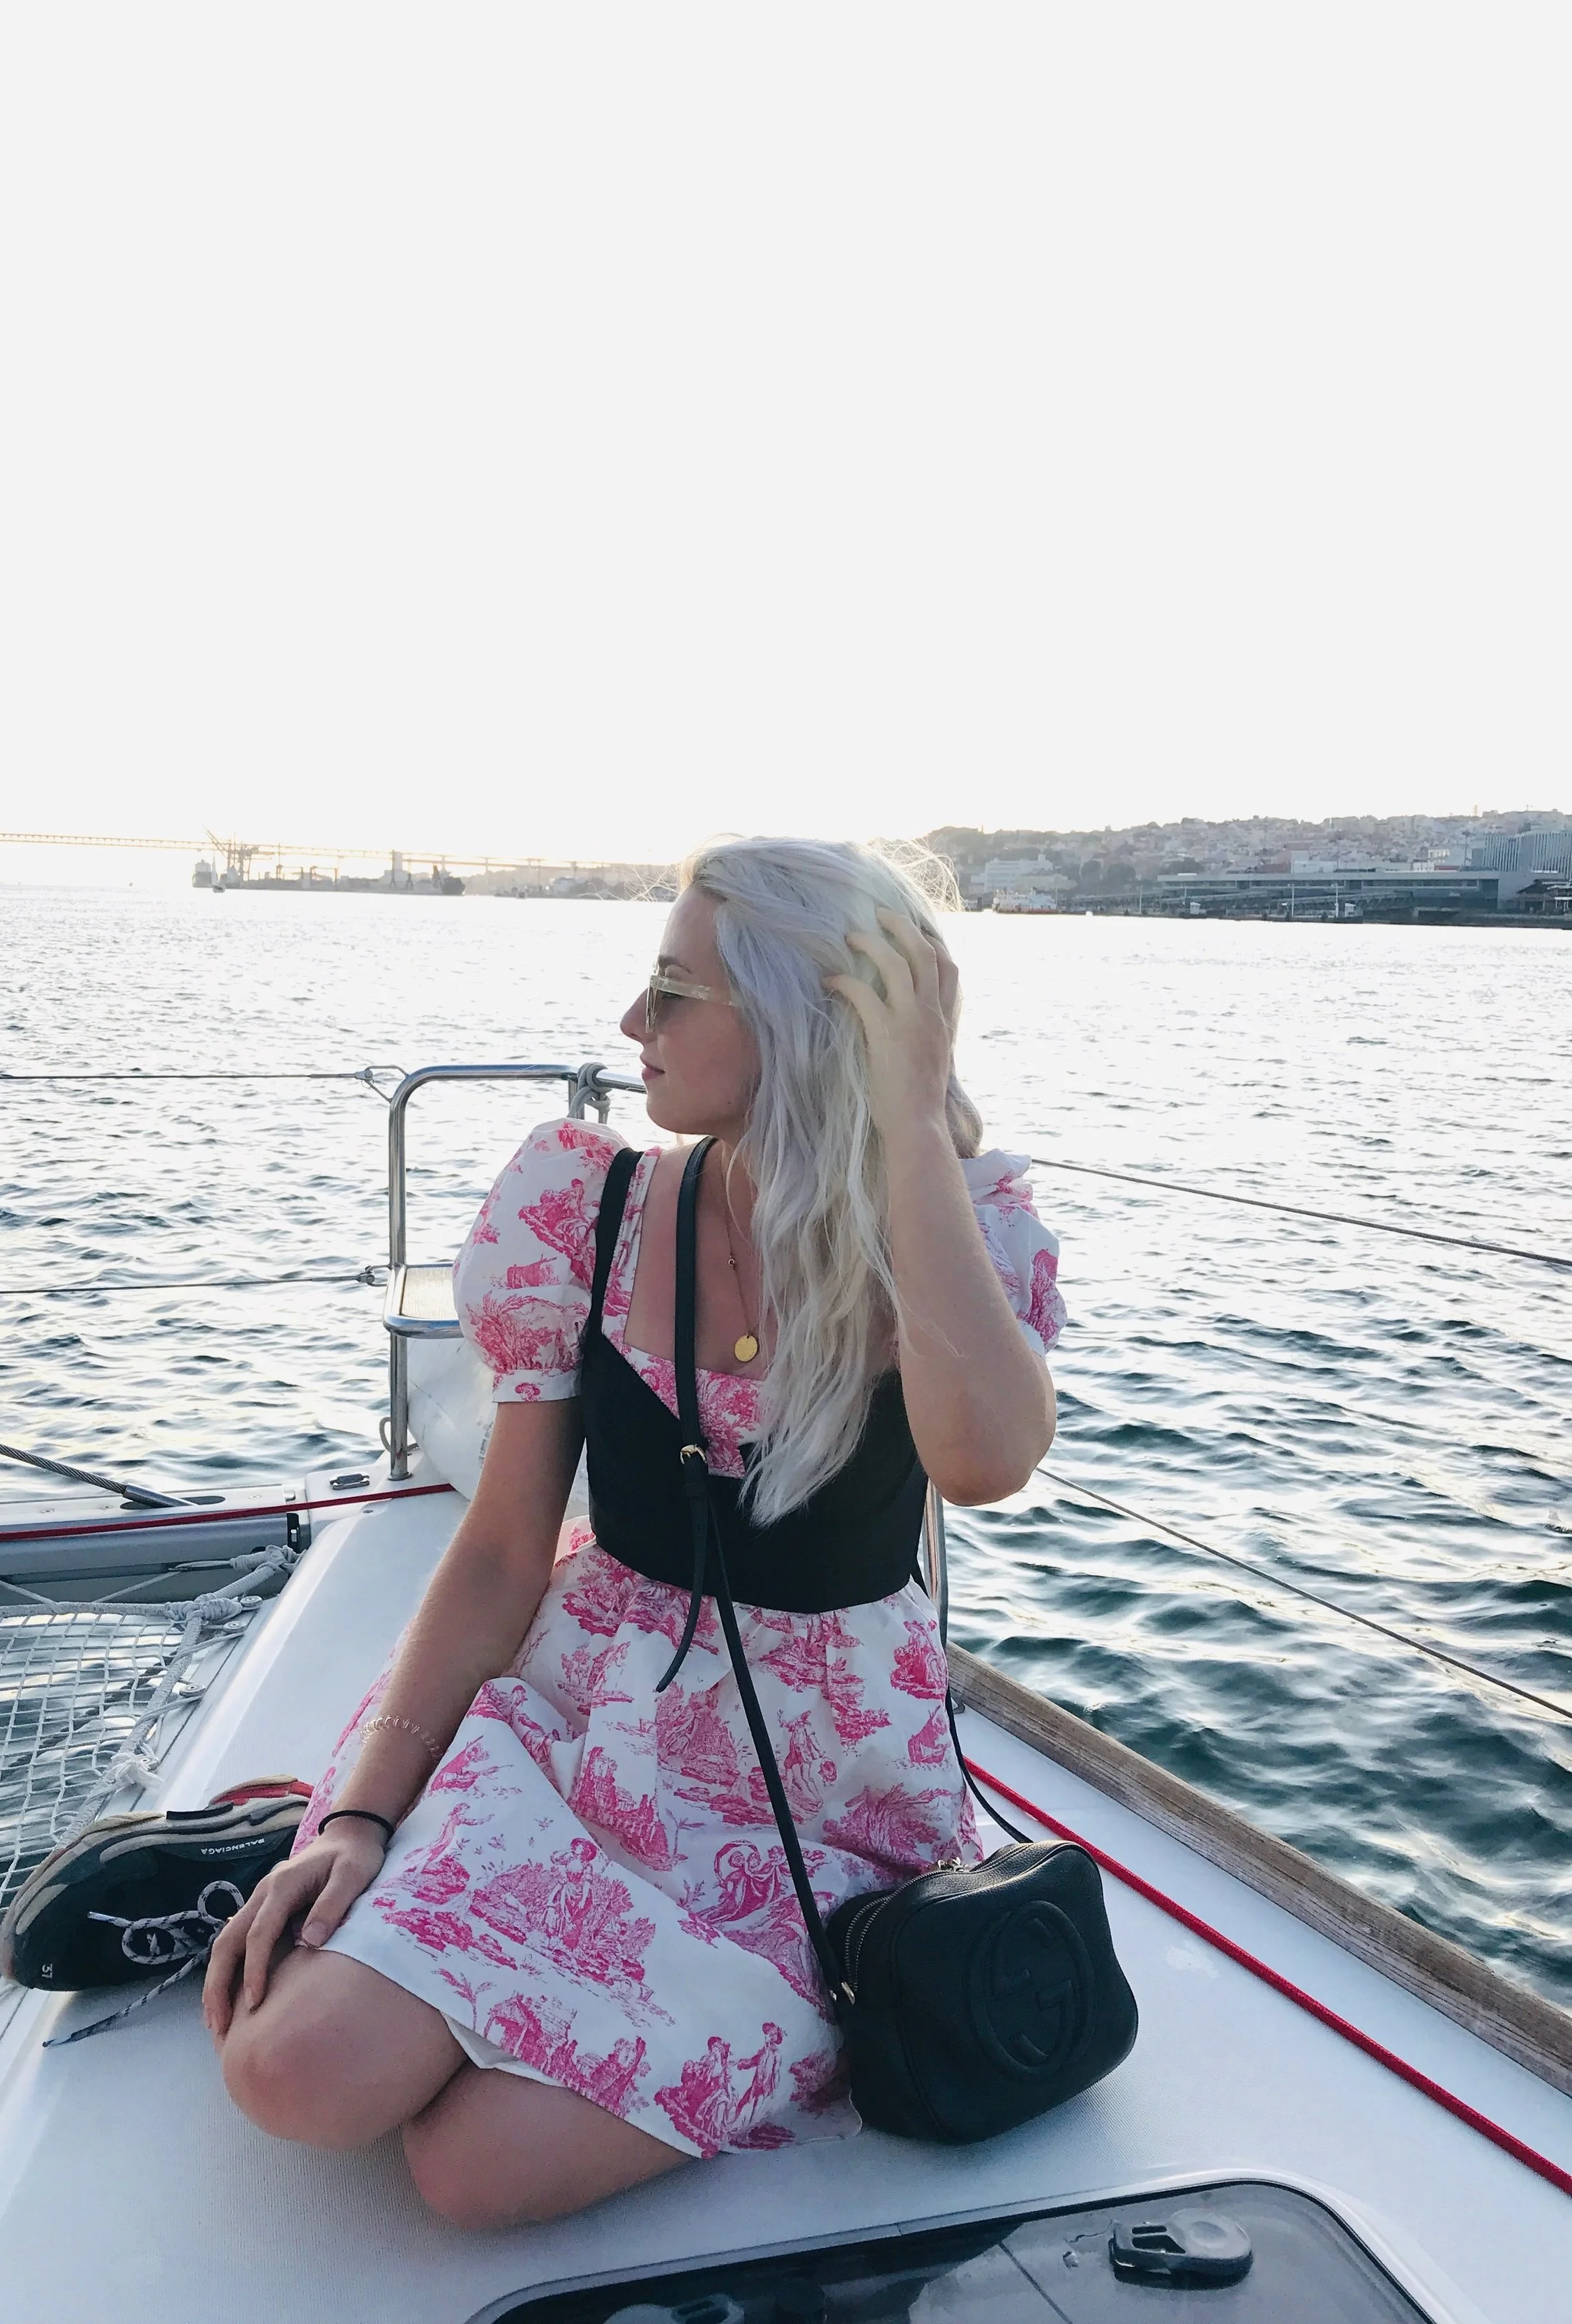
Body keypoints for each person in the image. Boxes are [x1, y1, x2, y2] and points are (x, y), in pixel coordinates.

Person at [204, 835, 1064, 2226]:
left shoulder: (957, 1229)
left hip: (817, 1796)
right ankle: (347, 1857)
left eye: (673, 991)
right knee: (295, 2075)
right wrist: (365, 1812)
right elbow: (502, 1550)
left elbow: (987, 1462)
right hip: (583, 1728)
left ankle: (743, 1998)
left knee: (472, 2173)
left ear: (800, 1022)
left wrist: (907, 1122)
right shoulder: (583, 1206)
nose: (630, 1025)